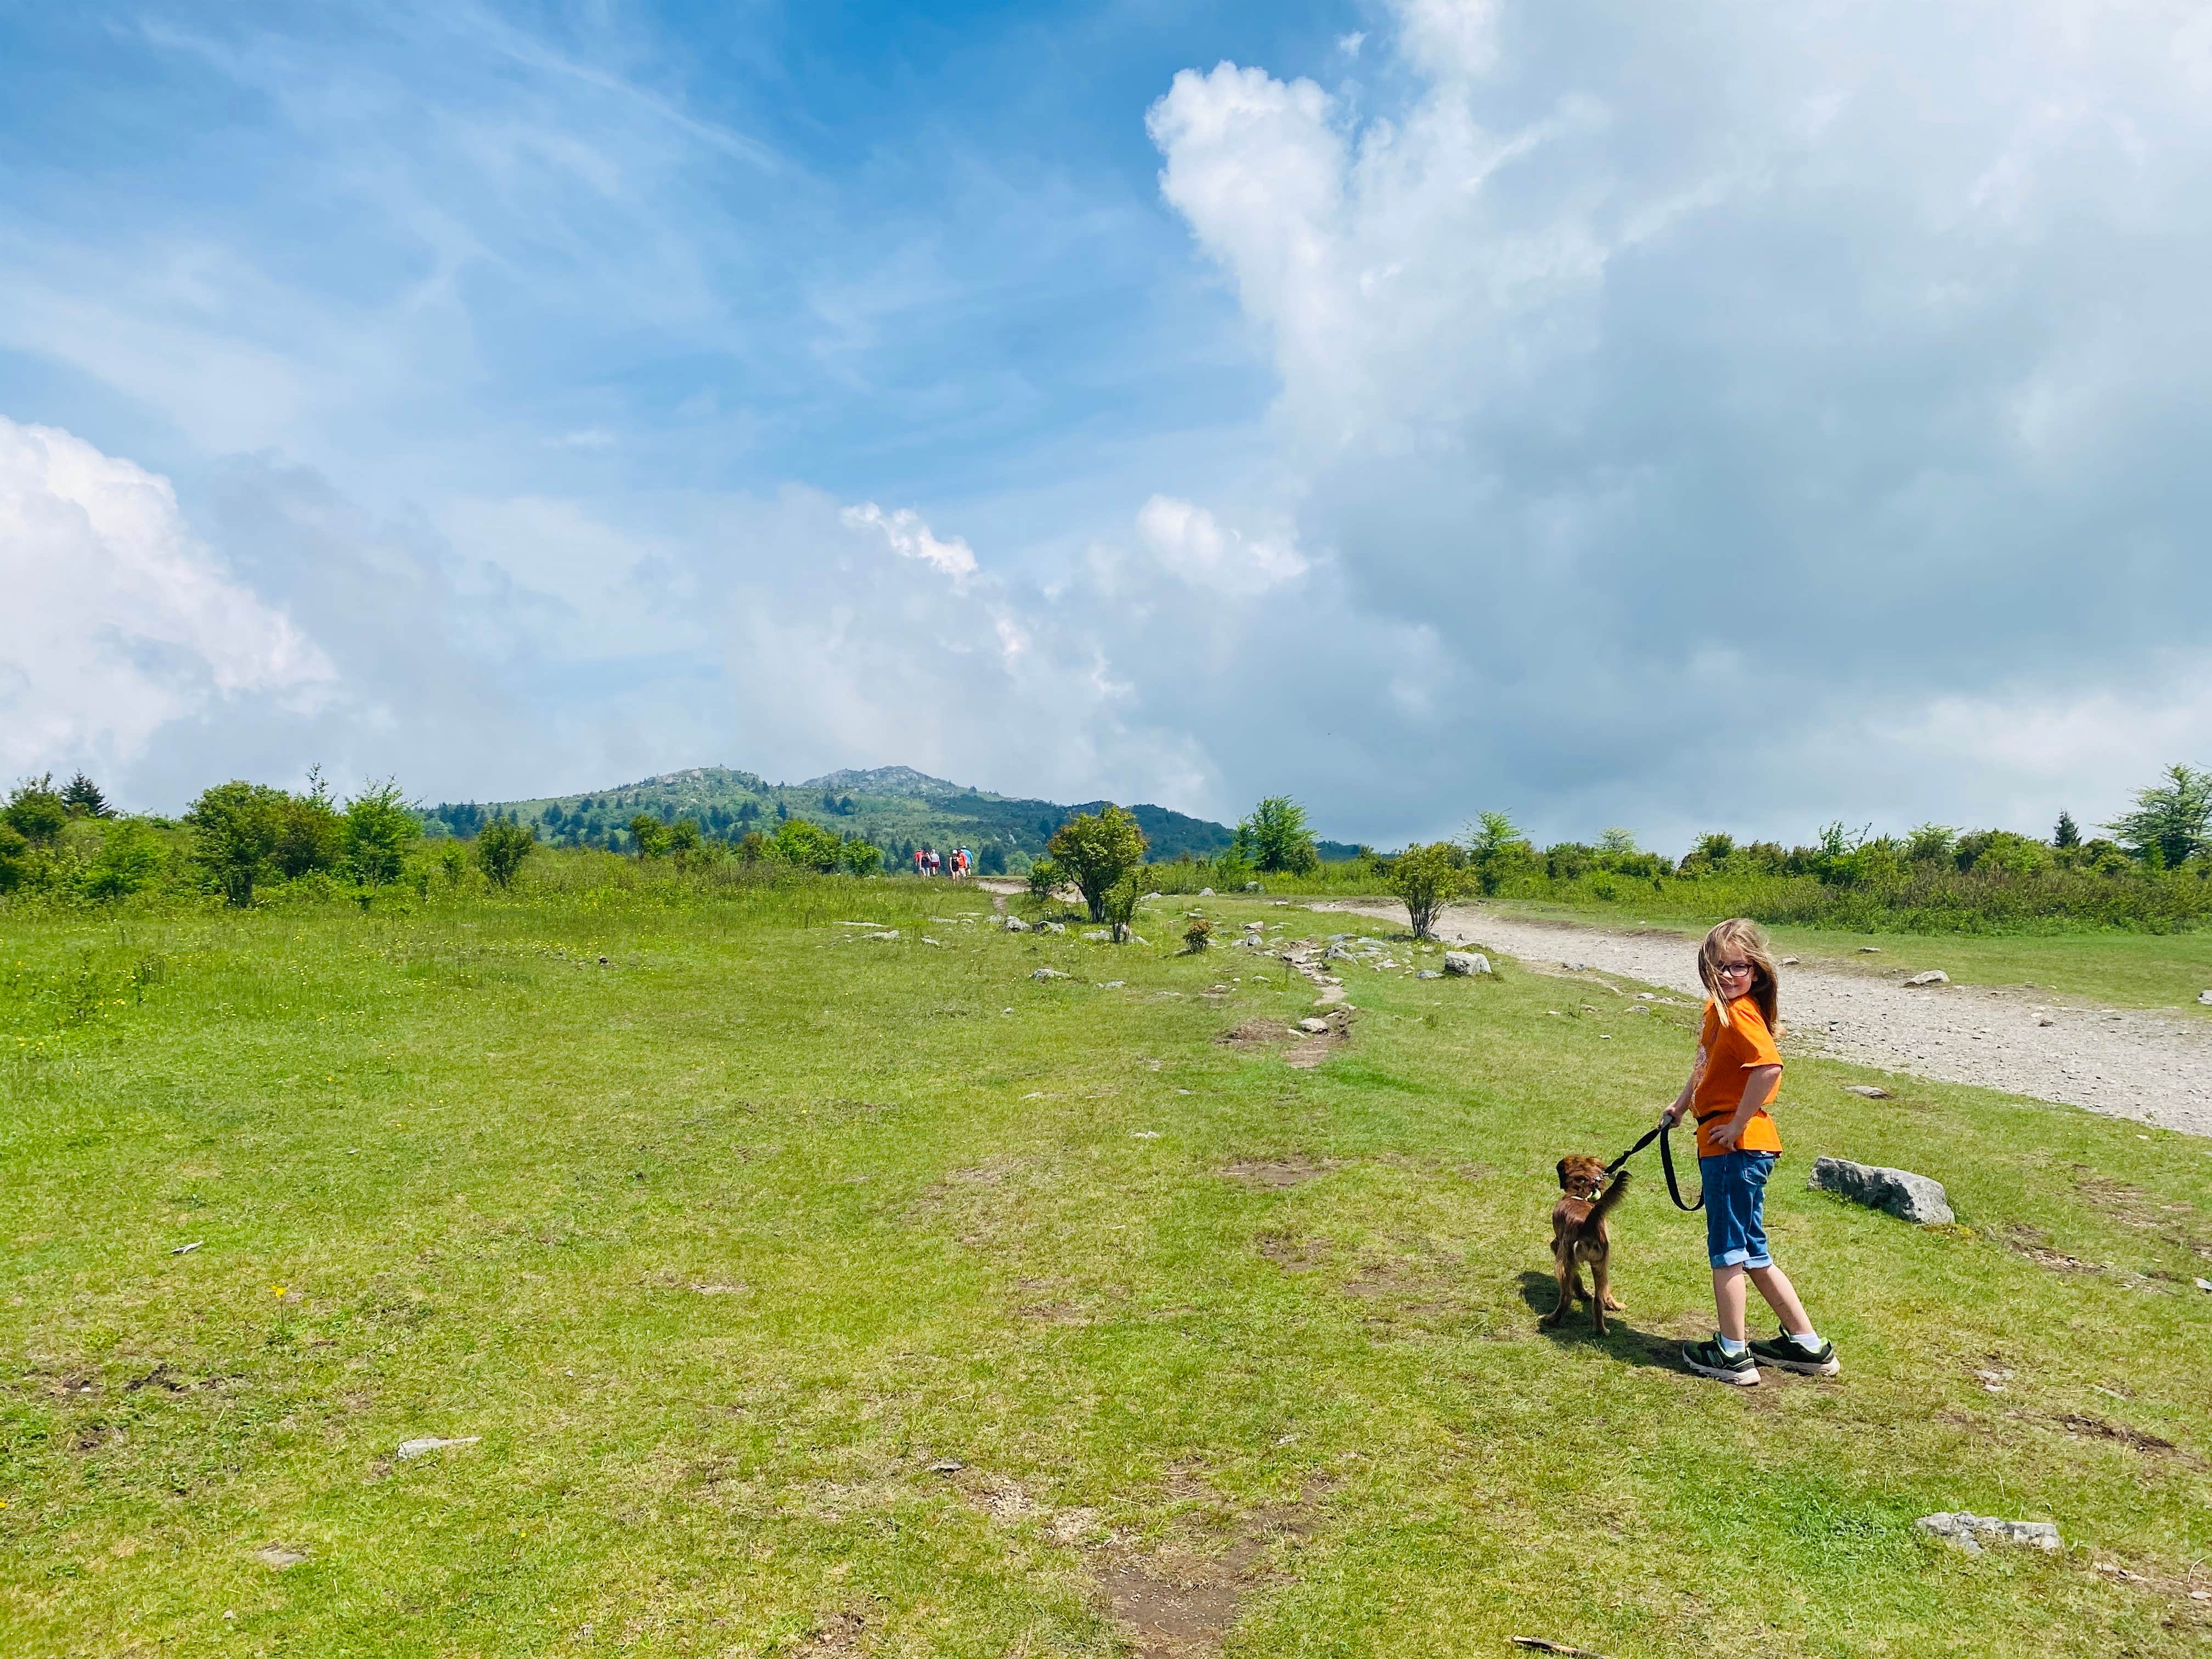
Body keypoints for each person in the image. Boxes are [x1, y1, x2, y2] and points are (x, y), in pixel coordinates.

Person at [1657, 918, 1838, 1385]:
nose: (1728, 974)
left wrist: (1736, 1124)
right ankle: (1806, 1344)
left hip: (1735, 1148)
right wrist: (1681, 1106)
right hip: (1738, 1146)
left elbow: (1769, 1068)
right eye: (1719, 966)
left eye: (1739, 967)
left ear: (1755, 971)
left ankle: (1733, 1354)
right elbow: (1704, 1066)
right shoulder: (1717, 1011)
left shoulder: (1739, 1013)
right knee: (1754, 1252)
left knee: (1728, 1253)